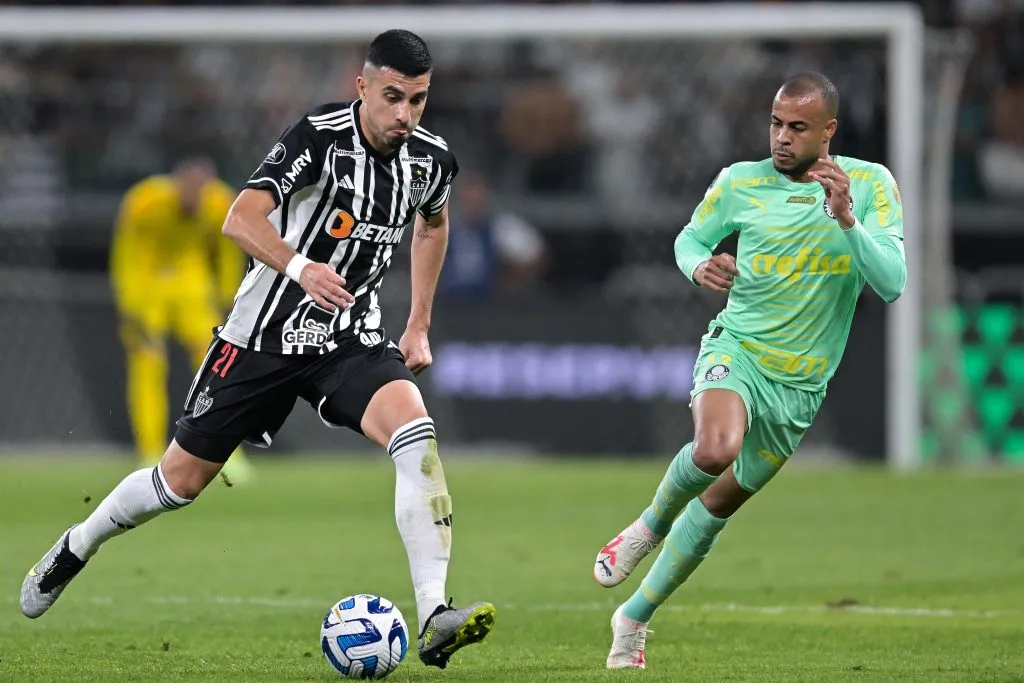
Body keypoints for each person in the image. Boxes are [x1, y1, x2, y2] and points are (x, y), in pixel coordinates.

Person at [21, 29, 495, 671]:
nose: (405, 116)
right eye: (392, 98)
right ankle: (78, 544)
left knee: (417, 434)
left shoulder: (430, 159)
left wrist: (417, 323)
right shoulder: (318, 138)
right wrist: (302, 269)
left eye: (417, 101)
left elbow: (432, 223)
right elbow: (240, 217)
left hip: (349, 340)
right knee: (178, 482)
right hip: (261, 339)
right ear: (362, 86)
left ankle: (435, 611)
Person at [593, 72, 906, 669]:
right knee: (714, 449)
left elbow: (891, 283)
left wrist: (846, 219)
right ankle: (646, 526)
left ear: (828, 131)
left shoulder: (868, 185)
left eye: (797, 127)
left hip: (802, 385)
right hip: (737, 349)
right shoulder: (740, 181)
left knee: (716, 507)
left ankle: (632, 619)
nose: (781, 138)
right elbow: (690, 238)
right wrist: (699, 267)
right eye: (775, 123)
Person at [110, 157, 252, 483]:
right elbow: (127, 253)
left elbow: (228, 251)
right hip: (149, 286)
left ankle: (225, 453)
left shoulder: (219, 202)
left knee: (217, 367)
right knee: (148, 364)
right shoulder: (144, 201)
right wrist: (130, 304)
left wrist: (230, 298)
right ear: (176, 184)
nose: (194, 199)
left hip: (193, 285)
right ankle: (148, 451)